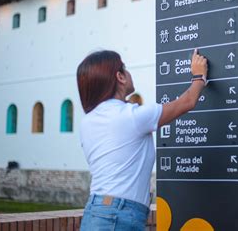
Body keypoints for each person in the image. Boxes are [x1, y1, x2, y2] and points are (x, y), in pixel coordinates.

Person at [77, 49, 207, 230]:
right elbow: (187, 102)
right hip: (118, 215)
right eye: (125, 68)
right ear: (120, 77)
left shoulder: (87, 121)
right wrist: (199, 75)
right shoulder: (131, 116)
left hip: (95, 210)